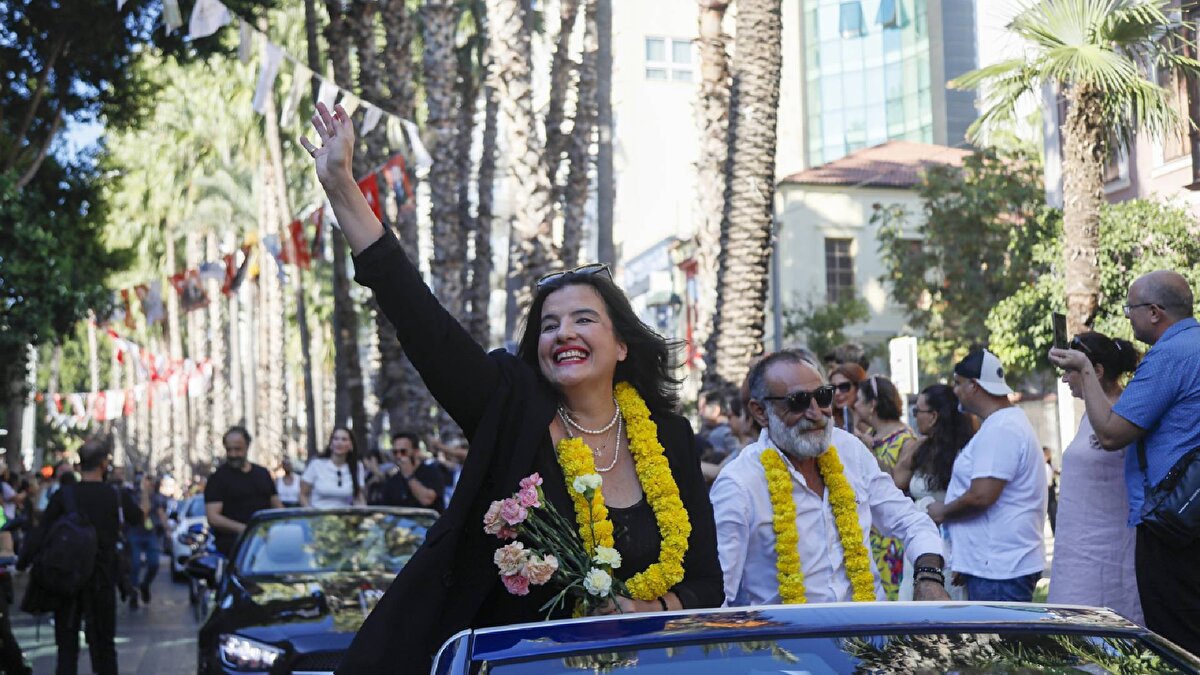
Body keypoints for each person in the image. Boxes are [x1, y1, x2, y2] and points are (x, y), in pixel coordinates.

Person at [301, 102, 723, 674]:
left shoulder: (669, 436)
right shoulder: (512, 407)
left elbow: (707, 583)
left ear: (622, 345)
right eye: (549, 326)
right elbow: (424, 324)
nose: (563, 333)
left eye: (583, 320)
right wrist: (342, 188)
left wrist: (647, 609)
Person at [711, 350, 948, 606]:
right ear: (760, 412)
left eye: (823, 397)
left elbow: (911, 522)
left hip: (869, 627)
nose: (816, 413)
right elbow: (720, 591)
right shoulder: (739, 484)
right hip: (790, 631)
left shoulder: (850, 450)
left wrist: (928, 578)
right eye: (798, 401)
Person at [1049, 270, 1199, 653]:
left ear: (1154, 311)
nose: (1128, 317)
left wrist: (1084, 368)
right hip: (1189, 510)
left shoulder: (1170, 355)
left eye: (1130, 309)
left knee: (1177, 643)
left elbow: (1112, 433)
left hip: (1172, 522)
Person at [927, 349, 1046, 602]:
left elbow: (982, 496)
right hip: (994, 568)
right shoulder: (1001, 423)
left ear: (973, 385)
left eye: (958, 383)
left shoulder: (1001, 427)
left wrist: (942, 512)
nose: (955, 391)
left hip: (1000, 572)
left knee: (996, 631)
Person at [19, 437, 141, 675]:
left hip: (67, 580)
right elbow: (137, 518)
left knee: (66, 648)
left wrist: (23, 562)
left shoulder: (64, 496)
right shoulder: (115, 495)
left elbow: (40, 533)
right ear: (104, 464)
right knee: (104, 647)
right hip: (102, 579)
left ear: (79, 465)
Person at [1046, 331, 1143, 623]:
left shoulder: (1122, 415)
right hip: (1079, 550)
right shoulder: (1091, 414)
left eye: (1070, 371)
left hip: (1108, 552)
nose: (1065, 379)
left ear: (1096, 371)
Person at [894, 383, 975, 600]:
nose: (914, 417)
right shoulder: (921, 449)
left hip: (951, 545)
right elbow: (897, 480)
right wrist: (912, 448)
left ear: (933, 416)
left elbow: (973, 504)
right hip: (919, 542)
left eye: (917, 411)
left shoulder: (965, 452)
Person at [851, 375, 915, 601]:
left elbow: (896, 484)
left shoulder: (906, 439)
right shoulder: (869, 435)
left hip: (890, 537)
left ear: (872, 405)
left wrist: (868, 452)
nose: (854, 405)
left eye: (859, 400)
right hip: (869, 533)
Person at [204, 427, 282, 558]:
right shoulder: (217, 479)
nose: (233, 454)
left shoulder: (263, 474)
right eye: (229, 450)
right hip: (234, 548)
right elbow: (213, 517)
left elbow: (277, 506)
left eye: (237, 449)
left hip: (268, 542)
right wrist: (247, 530)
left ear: (247, 446)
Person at [126, 473, 169, 609]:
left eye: (150, 483)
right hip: (135, 533)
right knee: (135, 565)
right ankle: (133, 593)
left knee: (154, 563)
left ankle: (145, 585)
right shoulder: (133, 496)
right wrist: (144, 493)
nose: (149, 486)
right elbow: (144, 510)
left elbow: (161, 513)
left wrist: (167, 529)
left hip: (151, 534)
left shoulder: (157, 497)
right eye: (146, 483)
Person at [300, 428, 367, 508]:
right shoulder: (316, 464)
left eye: (344, 439)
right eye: (336, 439)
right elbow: (303, 495)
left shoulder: (357, 466)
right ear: (331, 444)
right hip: (318, 513)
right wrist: (310, 511)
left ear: (351, 445)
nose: (339, 443)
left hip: (345, 514)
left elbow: (359, 497)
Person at [379, 432, 445, 513]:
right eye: (395, 452)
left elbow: (427, 500)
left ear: (416, 452)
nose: (399, 456)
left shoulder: (432, 472)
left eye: (403, 452)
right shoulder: (392, 480)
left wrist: (409, 476)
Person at [829, 363, 867, 433]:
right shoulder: (829, 421)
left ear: (858, 387)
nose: (837, 393)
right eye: (833, 388)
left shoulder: (873, 421)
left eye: (844, 387)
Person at [1043, 447, 1059, 533]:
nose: (1049, 455)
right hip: (1045, 491)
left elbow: (1056, 472)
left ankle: (1055, 532)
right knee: (1049, 512)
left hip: (1051, 490)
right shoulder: (1042, 466)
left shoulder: (1050, 465)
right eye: (1047, 453)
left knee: (1053, 513)